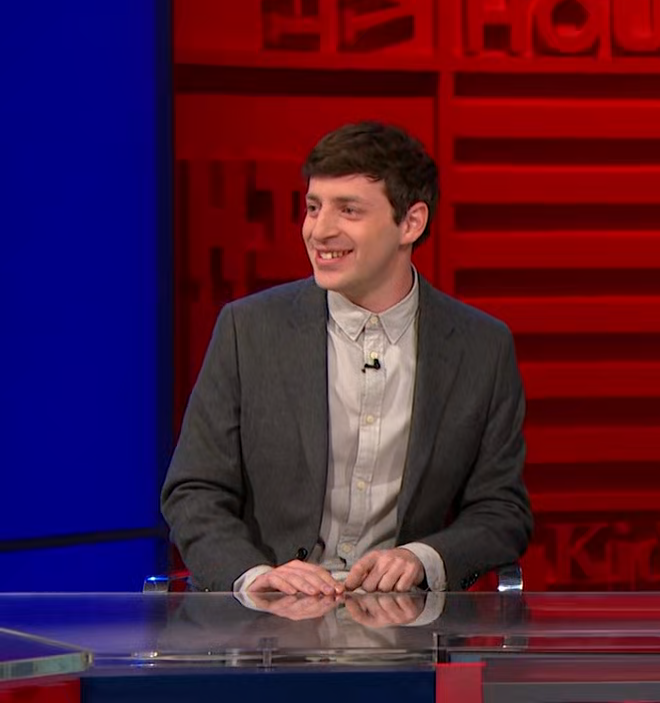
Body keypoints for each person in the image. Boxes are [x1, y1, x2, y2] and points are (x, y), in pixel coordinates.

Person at [162, 121, 533, 595]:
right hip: (268, 623)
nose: (319, 230)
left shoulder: (481, 347)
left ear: (411, 223)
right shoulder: (248, 330)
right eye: (313, 207)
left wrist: (422, 558)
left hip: (406, 621)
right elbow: (193, 491)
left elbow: (502, 510)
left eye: (349, 210)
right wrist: (256, 577)